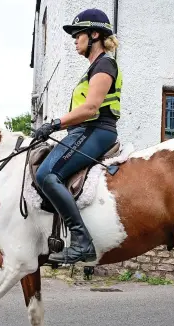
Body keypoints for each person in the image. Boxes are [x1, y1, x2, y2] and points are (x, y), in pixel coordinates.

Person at [34, 8, 123, 265]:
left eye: (78, 34)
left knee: (46, 175)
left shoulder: (105, 64)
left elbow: (90, 108)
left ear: (94, 34)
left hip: (96, 131)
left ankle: (82, 241)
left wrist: (53, 124)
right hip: (86, 131)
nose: (74, 40)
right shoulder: (94, 67)